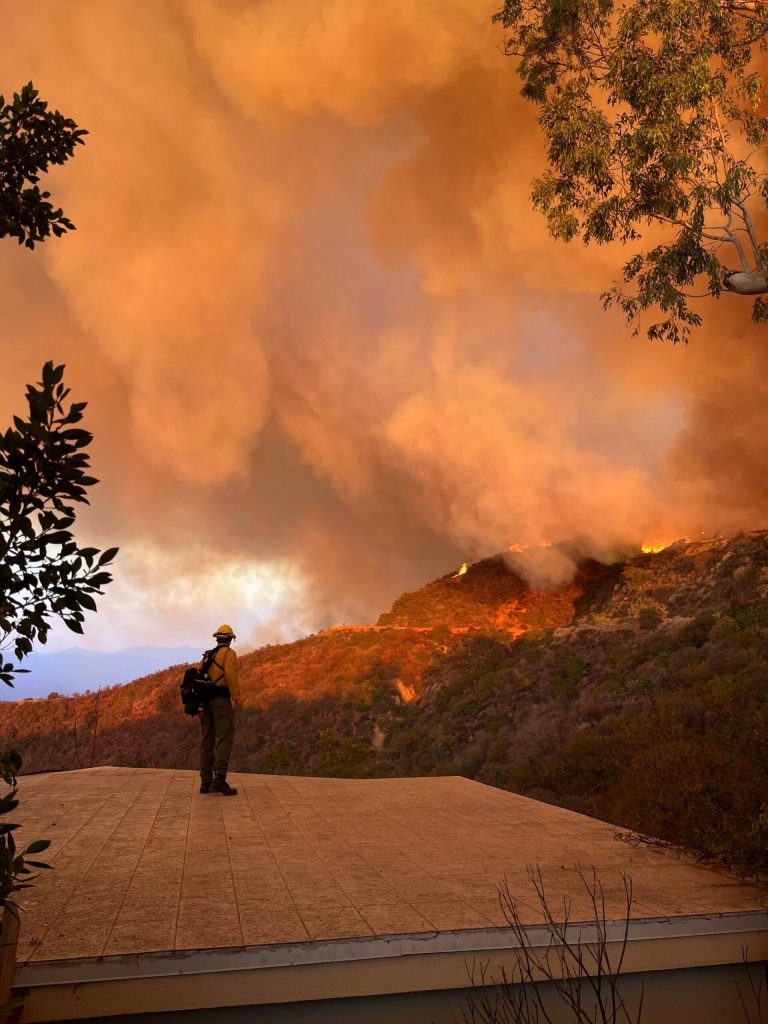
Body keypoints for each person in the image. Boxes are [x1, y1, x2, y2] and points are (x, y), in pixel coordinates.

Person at [199, 624, 240, 796]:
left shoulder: (209, 655)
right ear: (230, 639)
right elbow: (230, 675)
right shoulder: (228, 654)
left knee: (207, 739)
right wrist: (236, 696)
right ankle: (220, 780)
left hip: (204, 702)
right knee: (224, 737)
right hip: (220, 701)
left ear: (217, 639)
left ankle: (205, 782)